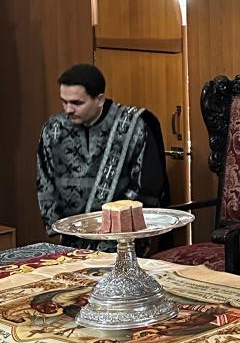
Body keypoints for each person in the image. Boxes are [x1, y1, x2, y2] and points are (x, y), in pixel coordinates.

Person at [37, 64, 169, 252]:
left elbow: (146, 186)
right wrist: (56, 226)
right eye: (64, 102)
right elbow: (45, 180)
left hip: (122, 239)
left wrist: (113, 227)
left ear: (99, 99)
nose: (68, 109)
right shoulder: (53, 129)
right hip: (70, 238)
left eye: (76, 103)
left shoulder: (133, 125)